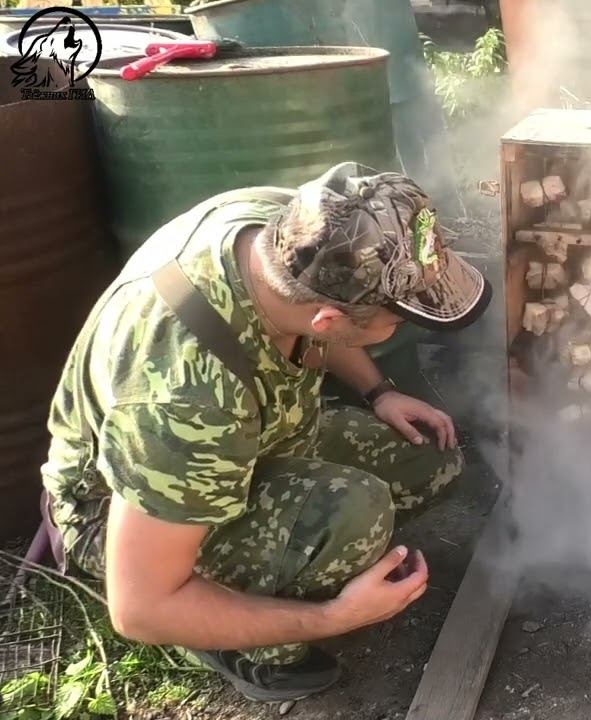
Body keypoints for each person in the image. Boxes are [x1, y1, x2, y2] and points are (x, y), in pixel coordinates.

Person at [39, 162, 492, 702]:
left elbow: (324, 314)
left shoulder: (298, 224)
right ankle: (239, 647)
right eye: (396, 321)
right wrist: (336, 615)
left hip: (254, 435)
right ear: (328, 321)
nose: (399, 329)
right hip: (129, 515)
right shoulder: (185, 400)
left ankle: (300, 558)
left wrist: (379, 392)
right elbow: (139, 609)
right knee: (357, 509)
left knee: (430, 459)